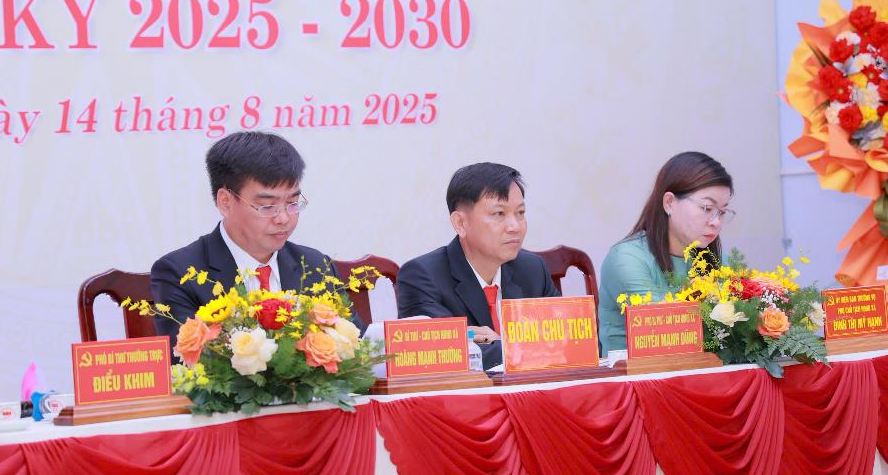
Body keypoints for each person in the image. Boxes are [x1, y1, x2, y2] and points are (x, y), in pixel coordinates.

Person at [151, 131, 359, 350]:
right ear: (225, 202)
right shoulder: (181, 273)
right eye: (267, 206)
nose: (283, 218)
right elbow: (189, 357)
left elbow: (357, 346)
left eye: (292, 203)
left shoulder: (316, 266)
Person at [396, 162, 559, 370]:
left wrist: (499, 343)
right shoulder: (422, 277)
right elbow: (446, 355)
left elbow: (567, 341)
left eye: (520, 213)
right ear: (461, 224)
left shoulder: (533, 270)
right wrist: (522, 346)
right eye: (499, 214)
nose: (515, 226)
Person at [598, 151, 735, 354]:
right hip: (639, 371)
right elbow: (668, 328)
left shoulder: (716, 259)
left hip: (701, 368)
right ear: (669, 203)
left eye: (722, 212)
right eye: (707, 208)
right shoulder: (627, 259)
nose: (716, 222)